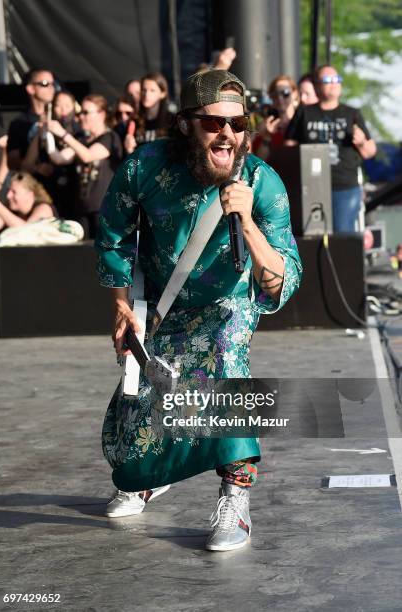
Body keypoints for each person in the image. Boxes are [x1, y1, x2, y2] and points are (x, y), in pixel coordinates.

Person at [95, 69, 302, 552]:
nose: (227, 133)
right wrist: (124, 308)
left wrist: (246, 221)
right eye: (213, 122)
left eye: (237, 122)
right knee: (145, 408)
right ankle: (153, 477)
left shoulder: (261, 183)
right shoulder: (144, 167)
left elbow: (281, 278)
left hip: (227, 303)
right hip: (165, 302)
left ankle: (235, 497)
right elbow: (114, 236)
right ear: (186, 124)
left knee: (224, 360)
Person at [285, 64, 377, 232]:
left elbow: (370, 151)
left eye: (337, 79)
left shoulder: (352, 113)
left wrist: (362, 141)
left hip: (344, 186)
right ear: (317, 85)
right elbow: (288, 146)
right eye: (328, 80)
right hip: (311, 184)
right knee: (312, 235)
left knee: (342, 236)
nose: (334, 83)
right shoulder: (304, 113)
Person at [45, 94, 123, 238]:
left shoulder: (110, 137)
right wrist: (47, 135)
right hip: (82, 208)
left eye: (86, 112)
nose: (81, 117)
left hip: (104, 208)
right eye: (80, 113)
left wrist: (62, 133)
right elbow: (59, 158)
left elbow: (87, 155)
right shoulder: (82, 140)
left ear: (101, 114)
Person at [22, 90, 82, 218]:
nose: (63, 110)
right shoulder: (43, 131)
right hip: (47, 193)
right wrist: (38, 167)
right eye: (58, 105)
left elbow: (60, 159)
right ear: (52, 108)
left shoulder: (79, 131)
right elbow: (26, 165)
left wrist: (59, 133)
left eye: (67, 105)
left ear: (74, 107)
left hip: (73, 193)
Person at [7, 68, 56, 173]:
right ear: (30, 89)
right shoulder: (19, 123)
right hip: (33, 183)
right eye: (44, 83)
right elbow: (12, 161)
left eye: (53, 84)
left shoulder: (59, 117)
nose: (51, 88)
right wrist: (36, 168)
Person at [252, 75, 299, 160]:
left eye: (285, 93)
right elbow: (260, 160)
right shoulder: (264, 125)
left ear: (295, 94)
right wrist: (267, 137)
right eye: (275, 94)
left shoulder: (303, 121)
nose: (280, 98)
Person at [136, 72, 173, 145]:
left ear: (163, 94)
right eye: (144, 90)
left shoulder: (171, 120)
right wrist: (129, 149)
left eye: (152, 90)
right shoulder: (136, 120)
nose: (146, 94)